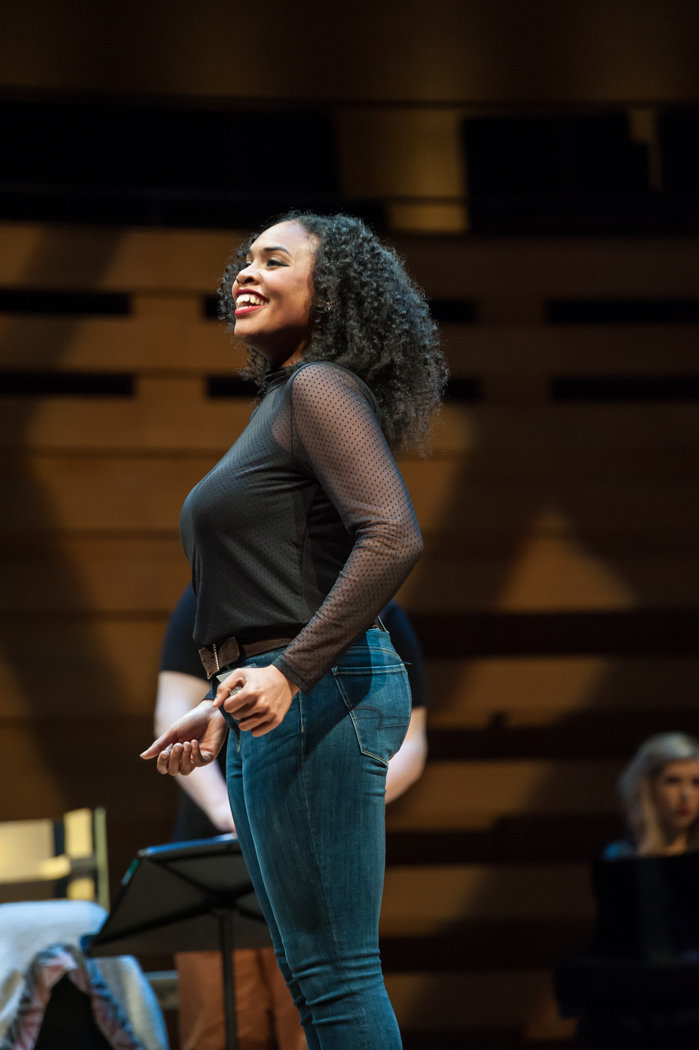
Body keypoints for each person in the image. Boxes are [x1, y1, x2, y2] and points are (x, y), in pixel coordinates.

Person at [142, 211, 446, 1050]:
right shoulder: (289, 396)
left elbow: (392, 535)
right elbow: (280, 583)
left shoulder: (320, 388)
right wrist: (230, 695)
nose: (243, 272)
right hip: (280, 697)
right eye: (242, 259)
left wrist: (288, 672)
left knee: (333, 974)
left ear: (330, 290)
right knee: (315, 976)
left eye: (273, 260)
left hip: (321, 692)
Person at [157, 587, 428, 1050]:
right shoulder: (207, 601)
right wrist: (223, 808)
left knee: (315, 1010)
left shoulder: (379, 610)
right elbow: (175, 706)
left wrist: (339, 801)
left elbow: (411, 743)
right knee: (217, 1029)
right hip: (220, 841)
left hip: (313, 841)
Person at [604, 733, 699, 860]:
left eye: (696, 782)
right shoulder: (620, 856)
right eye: (673, 781)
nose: (686, 794)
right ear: (648, 788)